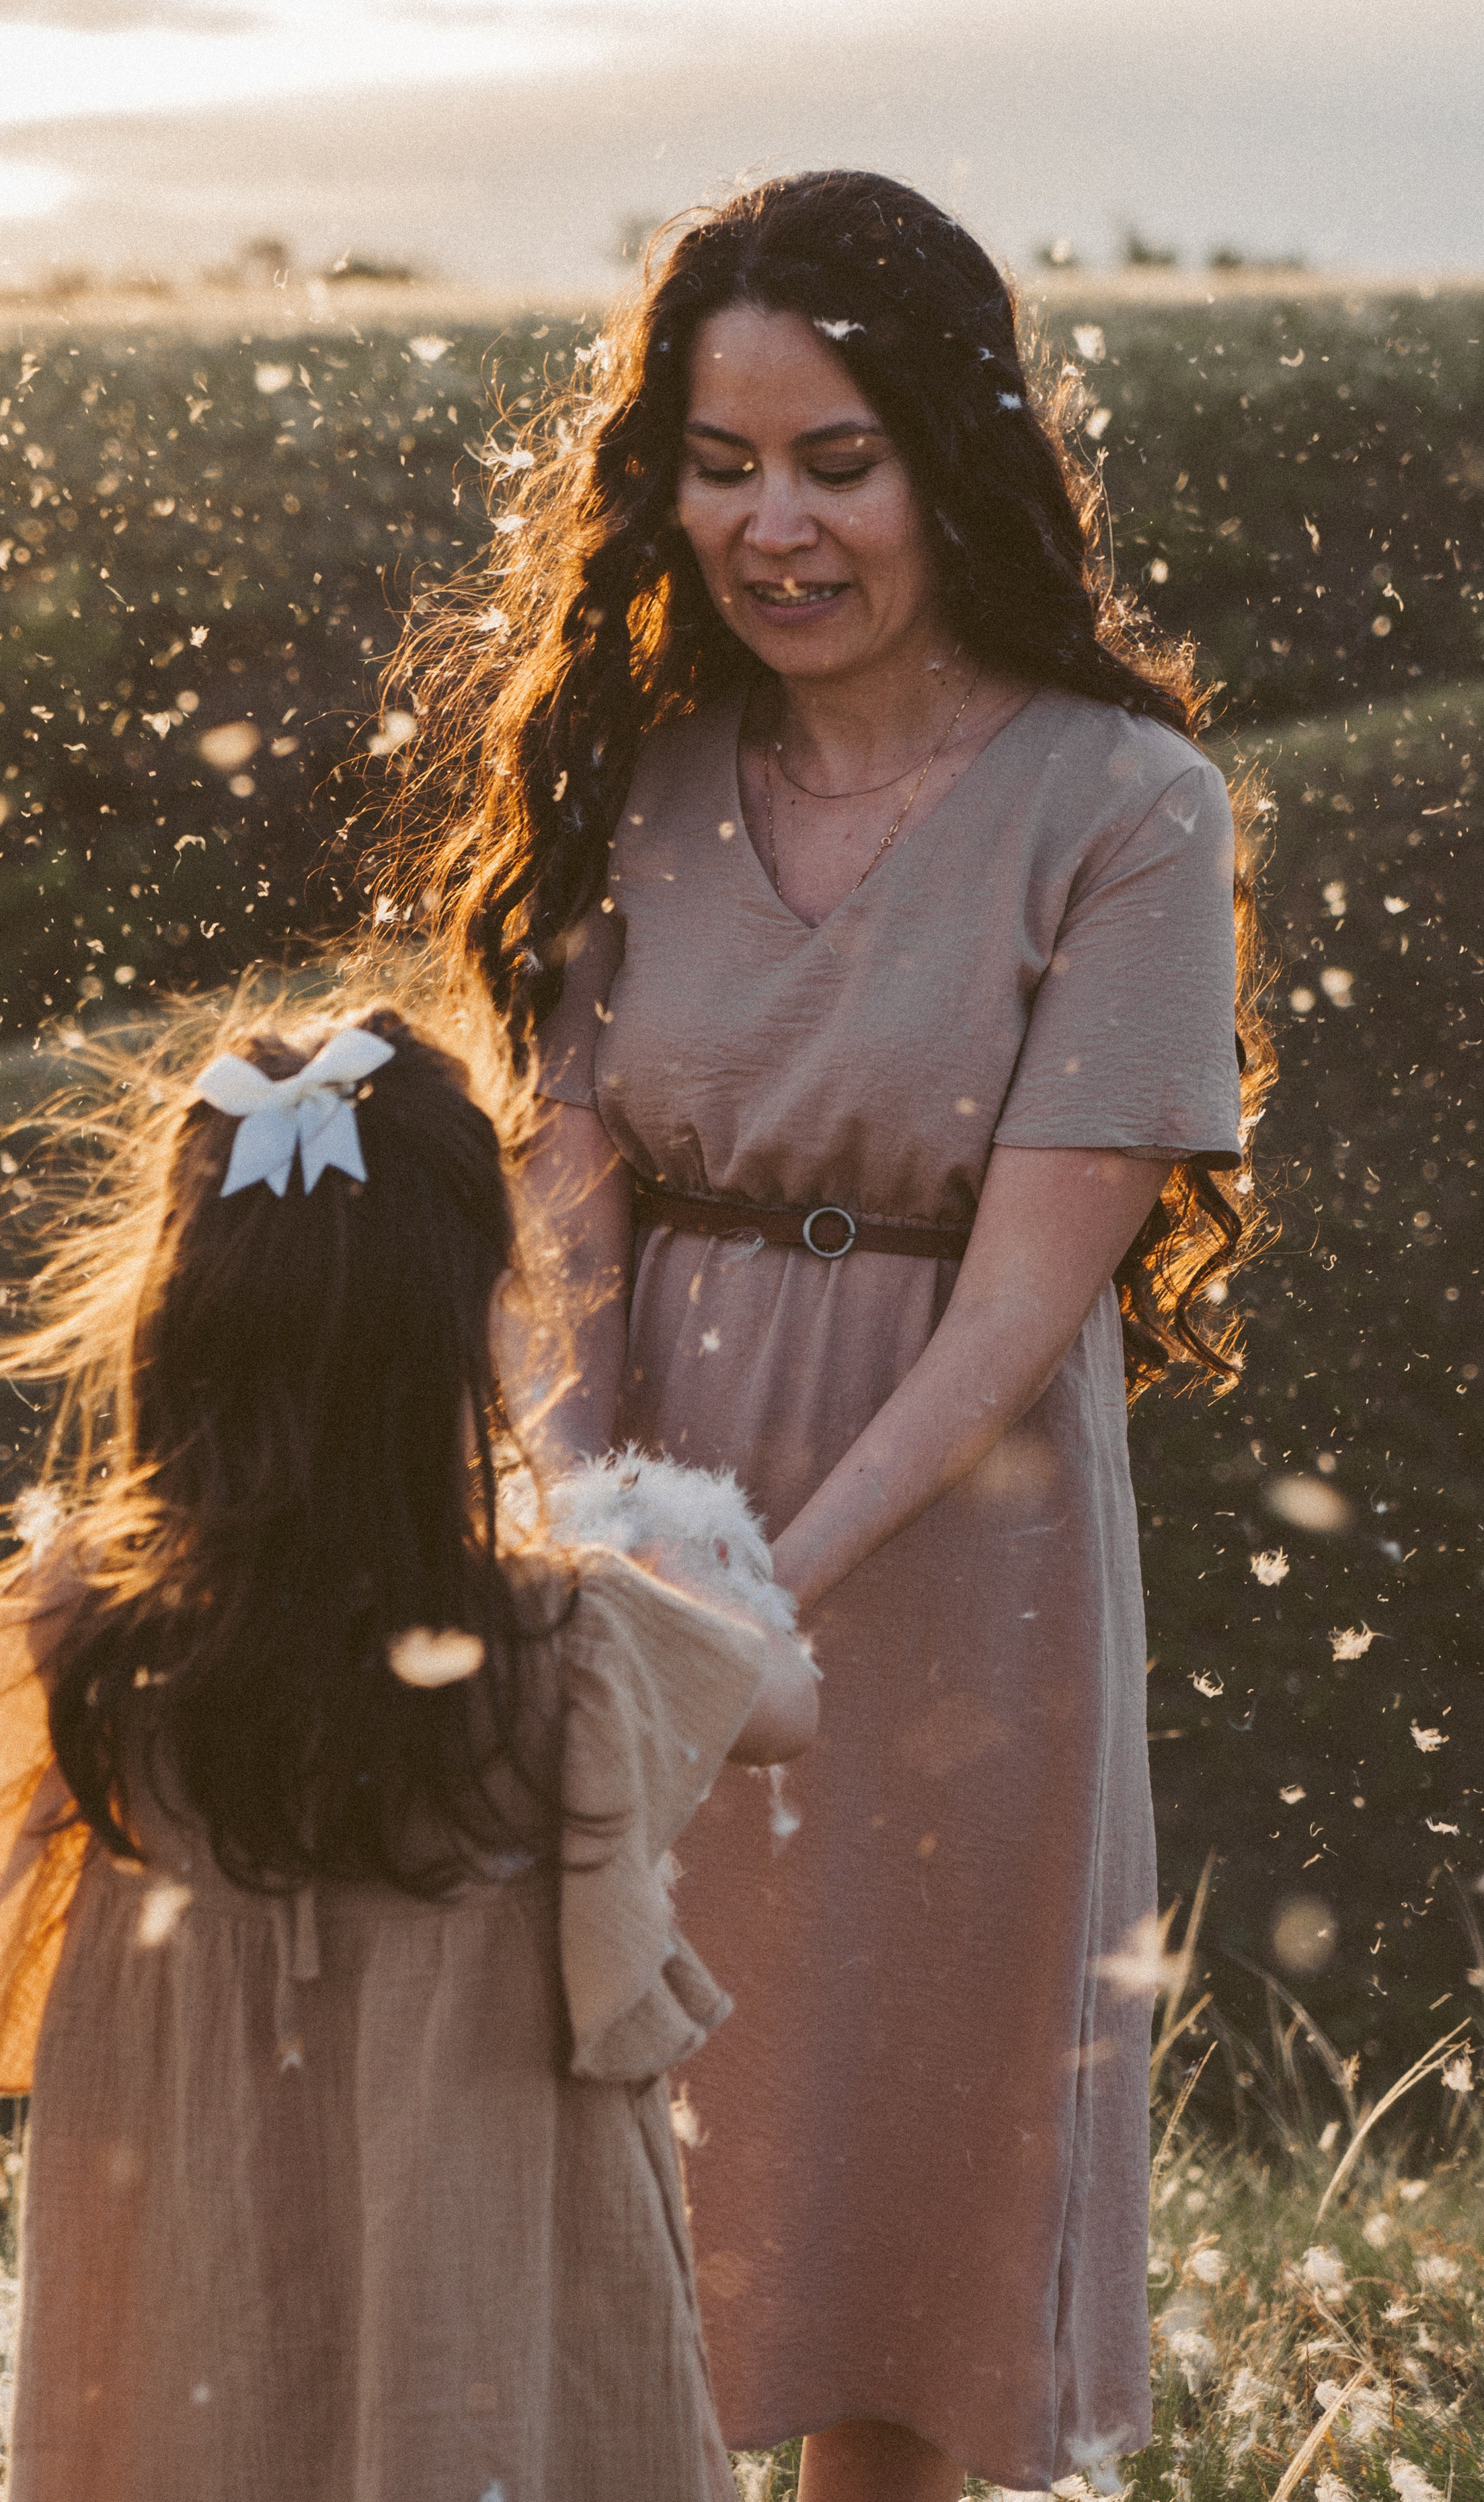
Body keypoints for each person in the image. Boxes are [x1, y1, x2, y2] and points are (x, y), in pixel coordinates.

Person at [379, 171, 1272, 2502]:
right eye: (720, 458)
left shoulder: (1126, 807)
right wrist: (593, 1526)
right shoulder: (631, 766)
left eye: (837, 461)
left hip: (950, 1550)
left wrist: (754, 1584)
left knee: (894, 2201)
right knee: (605, 2152)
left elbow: (1015, 1313)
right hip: (639, 1501)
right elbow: (566, 1180)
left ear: (951, 462)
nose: (772, 523)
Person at [0, 990, 818, 2502]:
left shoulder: (84, 1638)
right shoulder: (561, 1637)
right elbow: (783, 1703)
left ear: (175, 1327)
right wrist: (665, 1546)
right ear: (468, 1328)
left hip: (197, 2311)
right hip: (491, 2338)